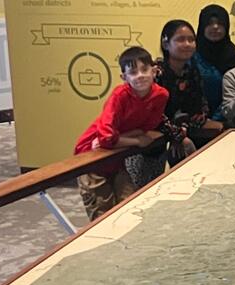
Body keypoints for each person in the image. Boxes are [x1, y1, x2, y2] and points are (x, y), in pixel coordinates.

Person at [73, 46, 168, 221]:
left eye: (144, 69)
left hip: (116, 155)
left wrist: (120, 138)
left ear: (154, 71)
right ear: (124, 77)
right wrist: (136, 141)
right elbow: (105, 138)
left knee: (130, 207)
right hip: (91, 156)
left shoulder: (160, 95)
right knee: (102, 212)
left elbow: (146, 128)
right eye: (133, 72)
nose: (140, 75)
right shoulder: (119, 95)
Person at [155, 18, 221, 157]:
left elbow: (200, 108)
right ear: (166, 44)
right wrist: (177, 135)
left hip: (180, 131)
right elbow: (154, 115)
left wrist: (183, 128)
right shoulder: (156, 73)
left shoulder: (191, 71)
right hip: (150, 137)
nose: (187, 44)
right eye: (180, 39)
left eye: (191, 40)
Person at [192, 5, 235, 119]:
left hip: (228, 119)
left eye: (220, 23)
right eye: (210, 23)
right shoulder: (191, 54)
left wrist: (217, 120)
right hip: (193, 120)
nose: (215, 27)